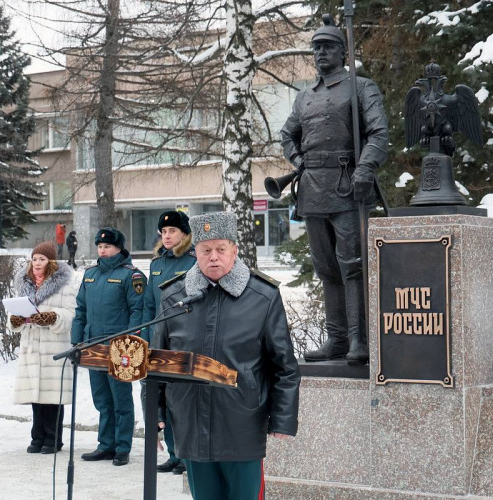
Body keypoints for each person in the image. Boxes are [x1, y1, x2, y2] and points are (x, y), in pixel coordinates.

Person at [151, 212, 300, 500]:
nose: (214, 258)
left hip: (242, 424)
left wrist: (282, 418)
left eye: (221, 249)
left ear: (234, 250)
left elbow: (284, 365)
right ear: (195, 252)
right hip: (191, 423)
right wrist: (155, 414)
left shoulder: (262, 296)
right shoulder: (175, 296)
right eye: (206, 250)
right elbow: (158, 361)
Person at [279, 15, 388, 365]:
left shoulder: (361, 87)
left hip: (347, 186)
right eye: (316, 48)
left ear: (342, 51)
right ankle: (337, 338)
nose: (321, 53)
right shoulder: (305, 97)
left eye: (327, 46)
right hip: (312, 189)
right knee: (326, 268)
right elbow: (287, 134)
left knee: (353, 266)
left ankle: (360, 339)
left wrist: (366, 167)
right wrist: (299, 160)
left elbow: (379, 133)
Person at [71, 227, 146, 466]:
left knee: (120, 399)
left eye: (108, 247)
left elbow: (138, 311)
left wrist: (132, 341)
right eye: (100, 247)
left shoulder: (131, 276)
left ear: (119, 249)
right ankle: (106, 445)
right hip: (94, 345)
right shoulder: (90, 274)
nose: (103, 251)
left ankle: (122, 447)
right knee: (102, 398)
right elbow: (81, 309)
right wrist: (77, 341)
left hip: (120, 347)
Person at [8, 242, 78, 454]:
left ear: (51, 262)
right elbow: (12, 316)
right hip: (31, 346)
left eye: (42, 259)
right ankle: (37, 437)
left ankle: (53, 439)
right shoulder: (24, 284)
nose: (37, 263)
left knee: (52, 398)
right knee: (36, 397)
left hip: (53, 346)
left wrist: (52, 317)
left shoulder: (65, 285)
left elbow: (71, 313)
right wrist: (16, 319)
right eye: (35, 259)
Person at [141, 210, 196, 475]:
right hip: (158, 337)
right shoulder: (156, 265)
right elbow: (148, 304)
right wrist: (144, 336)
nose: (167, 236)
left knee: (182, 398)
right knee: (163, 397)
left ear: (184, 234)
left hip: (184, 338)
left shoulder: (195, 261)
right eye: (163, 232)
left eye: (172, 231)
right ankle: (174, 454)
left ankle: (186, 454)